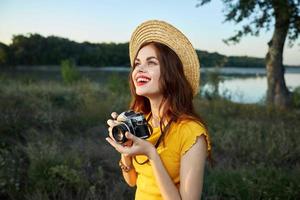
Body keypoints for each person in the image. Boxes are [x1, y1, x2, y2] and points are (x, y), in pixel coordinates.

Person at [106, 20, 211, 200]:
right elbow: (132, 181)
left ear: (171, 73)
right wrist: (125, 150)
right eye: (137, 64)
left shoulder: (192, 133)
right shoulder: (141, 121)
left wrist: (152, 155)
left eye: (151, 62)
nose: (139, 69)